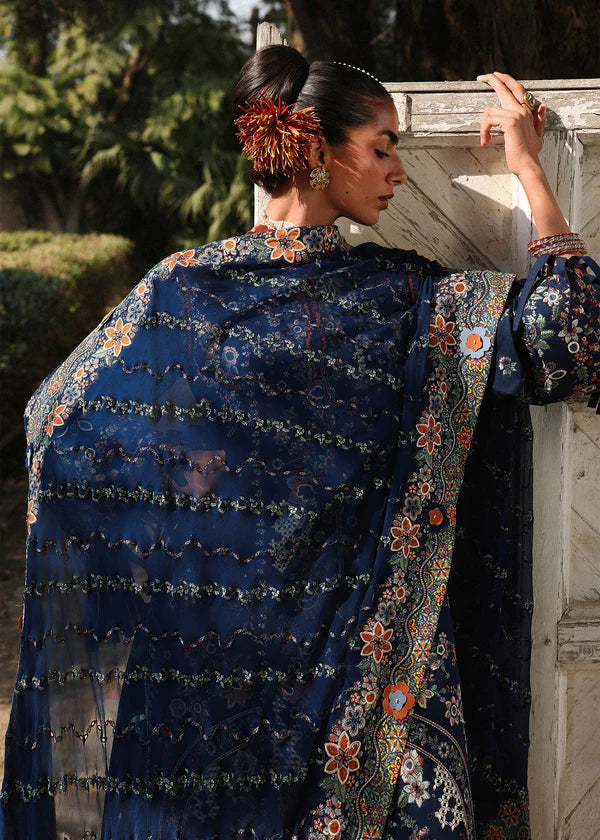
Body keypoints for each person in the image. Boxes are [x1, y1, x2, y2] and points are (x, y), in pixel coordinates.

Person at [0, 43, 598, 840]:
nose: (399, 171)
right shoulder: (394, 303)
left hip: (243, 678)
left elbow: (55, 417)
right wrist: (528, 170)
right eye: (381, 148)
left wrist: (183, 534)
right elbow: (570, 335)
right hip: (325, 694)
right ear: (318, 148)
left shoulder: (194, 294)